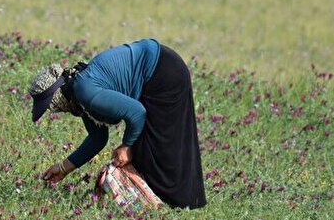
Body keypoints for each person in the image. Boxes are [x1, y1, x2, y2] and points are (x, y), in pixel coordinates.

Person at [28, 38, 206, 209]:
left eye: (52, 106)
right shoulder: (79, 95)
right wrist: (63, 168)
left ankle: (175, 207)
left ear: (57, 97)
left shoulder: (85, 91)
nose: (57, 110)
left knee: (154, 146)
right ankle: (161, 207)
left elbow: (137, 113)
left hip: (163, 71)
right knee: (145, 146)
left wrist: (126, 146)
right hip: (160, 66)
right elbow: (97, 139)